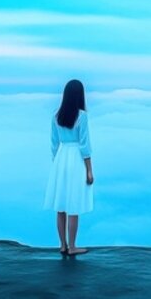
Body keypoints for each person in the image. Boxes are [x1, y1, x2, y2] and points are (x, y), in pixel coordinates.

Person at [44, 79, 95, 256]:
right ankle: (73, 246)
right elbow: (84, 144)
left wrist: (57, 164)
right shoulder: (82, 116)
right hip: (75, 160)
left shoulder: (55, 116)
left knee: (61, 205)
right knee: (74, 204)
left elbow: (53, 144)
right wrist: (89, 169)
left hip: (60, 158)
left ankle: (63, 245)